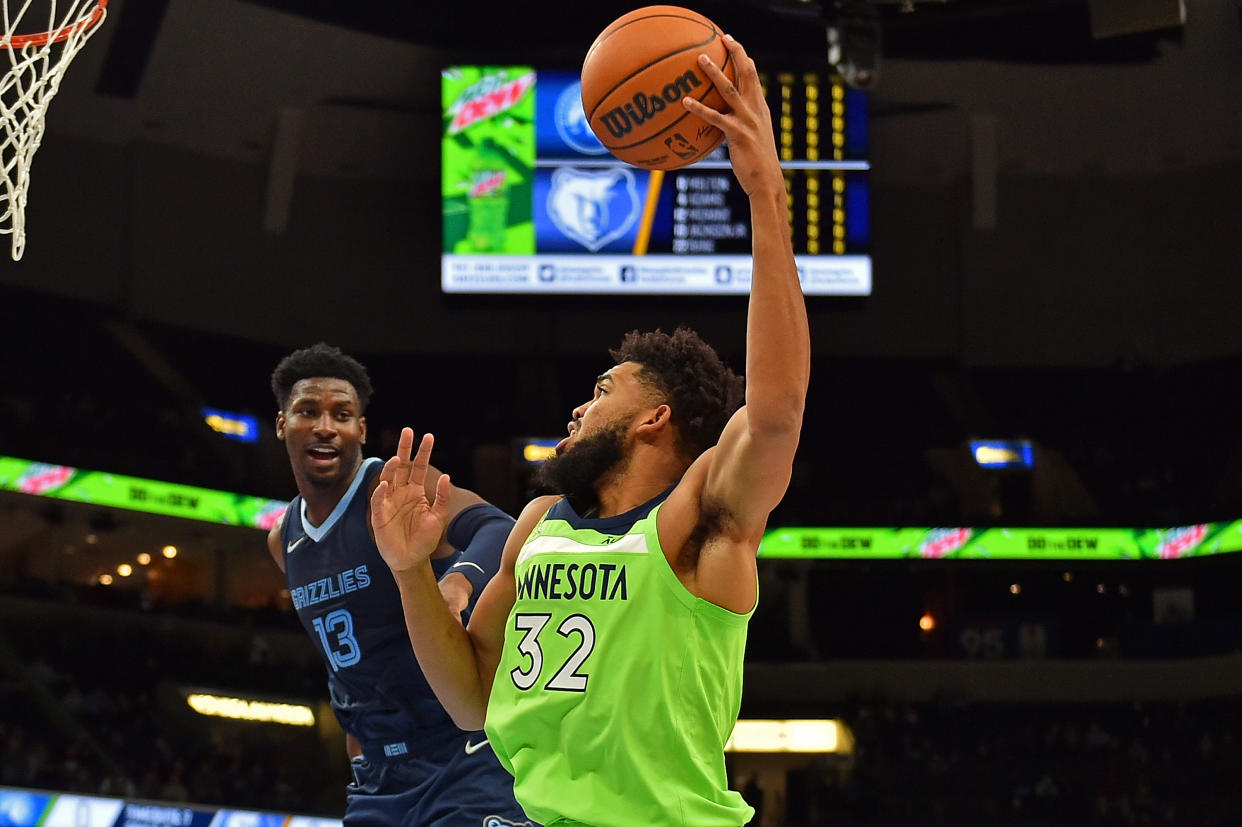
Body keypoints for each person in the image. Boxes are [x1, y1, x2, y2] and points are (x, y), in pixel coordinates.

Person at [369, 35, 808, 827]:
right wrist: (408, 573)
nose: (577, 409)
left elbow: (775, 412)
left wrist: (764, 193)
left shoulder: (694, 525)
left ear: (655, 418)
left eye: (603, 390)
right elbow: (471, 698)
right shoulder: (538, 526)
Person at [265, 343, 533, 827]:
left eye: (342, 414)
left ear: (360, 430)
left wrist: (458, 582)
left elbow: (498, 528)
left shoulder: (391, 489)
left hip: (463, 754)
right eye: (308, 411)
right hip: (381, 777)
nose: (326, 426)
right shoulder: (283, 539)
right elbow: (347, 663)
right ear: (282, 423)